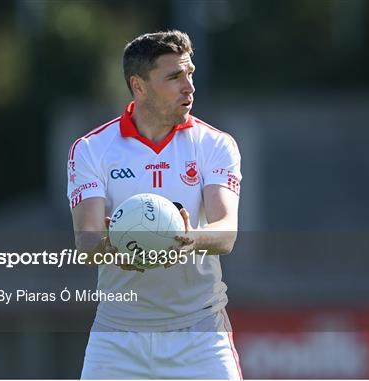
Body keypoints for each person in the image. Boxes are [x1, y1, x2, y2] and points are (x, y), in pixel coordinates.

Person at [67, 30, 243, 379]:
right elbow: (86, 240)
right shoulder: (91, 149)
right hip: (118, 337)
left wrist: (191, 237)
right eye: (175, 77)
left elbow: (226, 232)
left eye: (190, 73)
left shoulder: (215, 145)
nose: (189, 86)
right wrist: (111, 248)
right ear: (140, 86)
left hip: (200, 333)